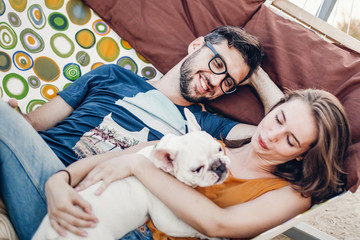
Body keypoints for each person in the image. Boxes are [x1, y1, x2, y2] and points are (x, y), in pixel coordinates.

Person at [0, 25, 281, 239]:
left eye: (229, 82)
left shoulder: (204, 129)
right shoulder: (111, 74)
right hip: (30, 177)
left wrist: (255, 73)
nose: (216, 81)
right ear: (197, 45)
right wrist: (14, 116)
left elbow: (281, 129)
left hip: (89, 210)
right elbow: (34, 124)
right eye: (218, 64)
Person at [46, 88, 350, 239]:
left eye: (290, 140)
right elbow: (121, 157)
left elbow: (219, 224)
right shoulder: (208, 145)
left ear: (302, 155)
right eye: (278, 118)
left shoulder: (292, 193)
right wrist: (58, 182)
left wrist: (138, 167)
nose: (270, 135)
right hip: (86, 208)